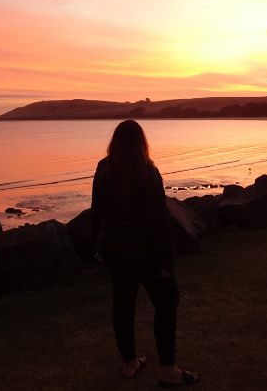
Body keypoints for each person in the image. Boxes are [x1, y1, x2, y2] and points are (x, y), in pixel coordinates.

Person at [91, 120, 199, 387]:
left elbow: (97, 212)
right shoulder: (148, 171)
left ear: (114, 142)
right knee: (166, 302)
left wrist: (99, 247)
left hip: (115, 251)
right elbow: (157, 221)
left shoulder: (104, 169)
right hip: (146, 253)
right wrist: (165, 259)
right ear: (142, 142)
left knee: (123, 305)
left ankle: (129, 363)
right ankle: (168, 370)